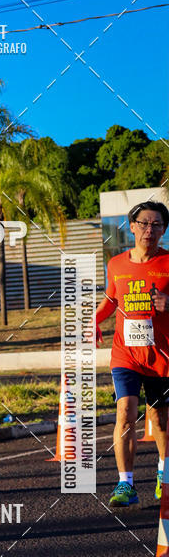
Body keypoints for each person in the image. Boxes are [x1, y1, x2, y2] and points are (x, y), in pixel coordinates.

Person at [95, 200, 169, 507]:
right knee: (125, 411)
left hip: (162, 357)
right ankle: (125, 483)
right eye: (144, 223)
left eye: (156, 225)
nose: (149, 230)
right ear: (132, 226)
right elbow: (112, 300)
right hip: (125, 354)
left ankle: (164, 477)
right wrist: (95, 320)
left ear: (163, 230)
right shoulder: (116, 264)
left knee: (160, 420)